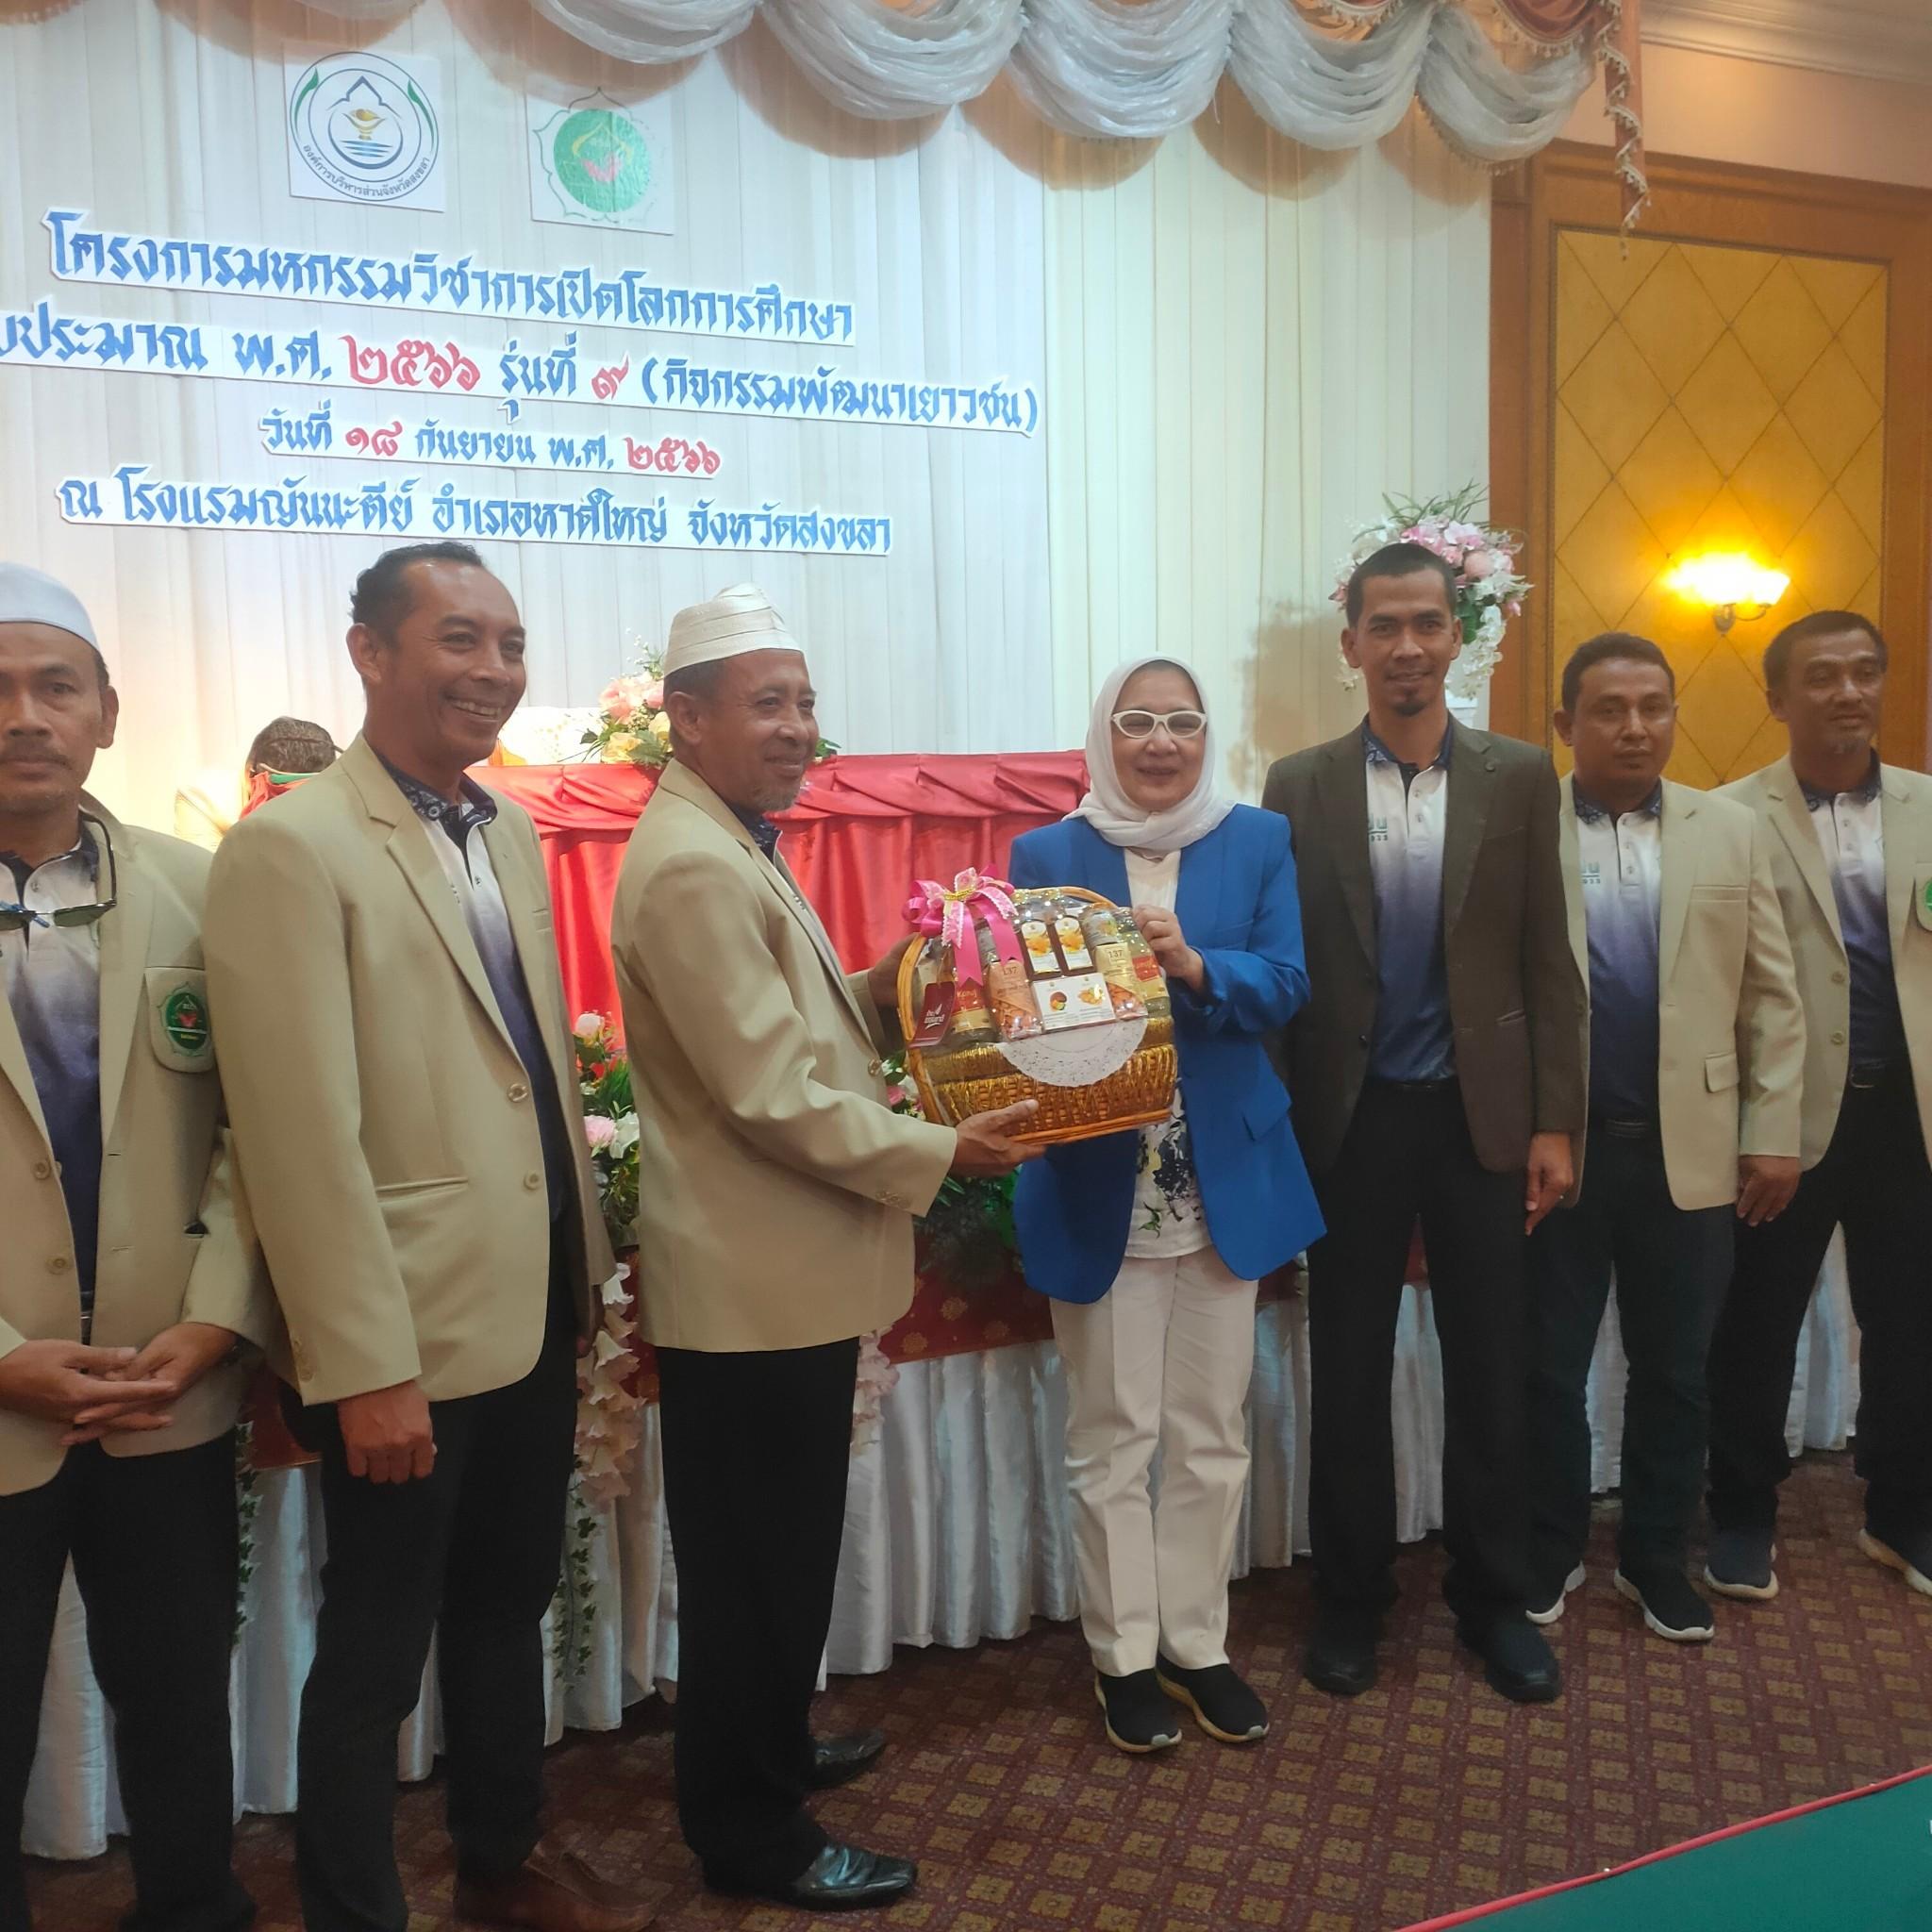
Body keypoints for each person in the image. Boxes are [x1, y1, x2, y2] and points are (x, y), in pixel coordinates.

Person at [203, 543, 645, 1932]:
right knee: (377, 1646)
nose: (494, 670)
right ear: (370, 651)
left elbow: (524, 1072)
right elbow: (295, 1135)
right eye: (460, 639)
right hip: (400, 1334)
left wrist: (584, 1277)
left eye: (510, 644)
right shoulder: (291, 846)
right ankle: (354, 1906)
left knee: (506, 1604)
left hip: (531, 1302)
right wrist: (361, 1364)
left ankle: (500, 1857)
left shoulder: (502, 826)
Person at [610, 585, 1039, 1913]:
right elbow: (767, 1095)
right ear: (686, 718)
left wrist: (897, 982)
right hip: (753, 1285)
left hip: (778, 1277)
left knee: (780, 1557)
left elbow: (791, 1030)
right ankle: (752, 1834)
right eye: (768, 703)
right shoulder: (693, 861)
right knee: (753, 1574)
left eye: (803, 700)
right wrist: (940, 1150)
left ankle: (771, 1750)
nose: (799, 726)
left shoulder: (726, 836)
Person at [1262, 541, 1584, 1706]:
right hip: (1346, 1126)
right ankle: (1350, 1597)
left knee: (1491, 1368)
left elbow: (1547, 957)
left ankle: (1492, 1598)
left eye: (1427, 624)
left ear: (1458, 636)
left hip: (1477, 1122)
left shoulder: (1519, 775)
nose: (1406, 646)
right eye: (1384, 626)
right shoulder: (1297, 783)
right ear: (1349, 641)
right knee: (1345, 1371)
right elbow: (1285, 970)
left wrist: (1554, 1122)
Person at [0, 563, 271, 1932]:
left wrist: (216, 1317)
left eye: (56, 686)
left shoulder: (201, 886)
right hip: (1, 1402)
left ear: (107, 711)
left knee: (175, 1697)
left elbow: (259, 1132)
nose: (24, 716)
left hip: (170, 1384)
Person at [1008, 658, 1324, 1754]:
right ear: (1104, 733)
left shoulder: (1257, 837)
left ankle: (1195, 1643)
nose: (1159, 741)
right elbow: (1020, 1008)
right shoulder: (1047, 853)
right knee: (1111, 1435)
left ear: (1204, 734)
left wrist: (1194, 965)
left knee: (1208, 1431)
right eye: (1135, 720)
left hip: (1222, 1174)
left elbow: (1286, 980)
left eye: (1181, 721)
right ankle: (1122, 1657)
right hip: (1101, 1176)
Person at [1525, 633, 1802, 1644]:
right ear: (1566, 724)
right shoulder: (1522, 826)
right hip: (1561, 1148)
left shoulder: (1729, 830)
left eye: (1653, 706)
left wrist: (1773, 1129)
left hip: (1692, 1148)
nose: (1634, 727)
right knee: (1547, 1367)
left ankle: (1652, 1558)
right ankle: (1549, 1545)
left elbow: (1771, 995)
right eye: (1609, 709)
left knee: (1678, 1371)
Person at [1705, 611, 1932, 1603]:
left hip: (1910, 1119)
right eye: (1824, 676)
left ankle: (1902, 1508)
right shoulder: (1726, 817)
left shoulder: (1928, 806)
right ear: (1776, 698)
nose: (1848, 692)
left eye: (1864, 672)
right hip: (1784, 1118)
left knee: (1911, 1321)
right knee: (1757, 1323)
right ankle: (1742, 1510)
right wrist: (1755, 1125)